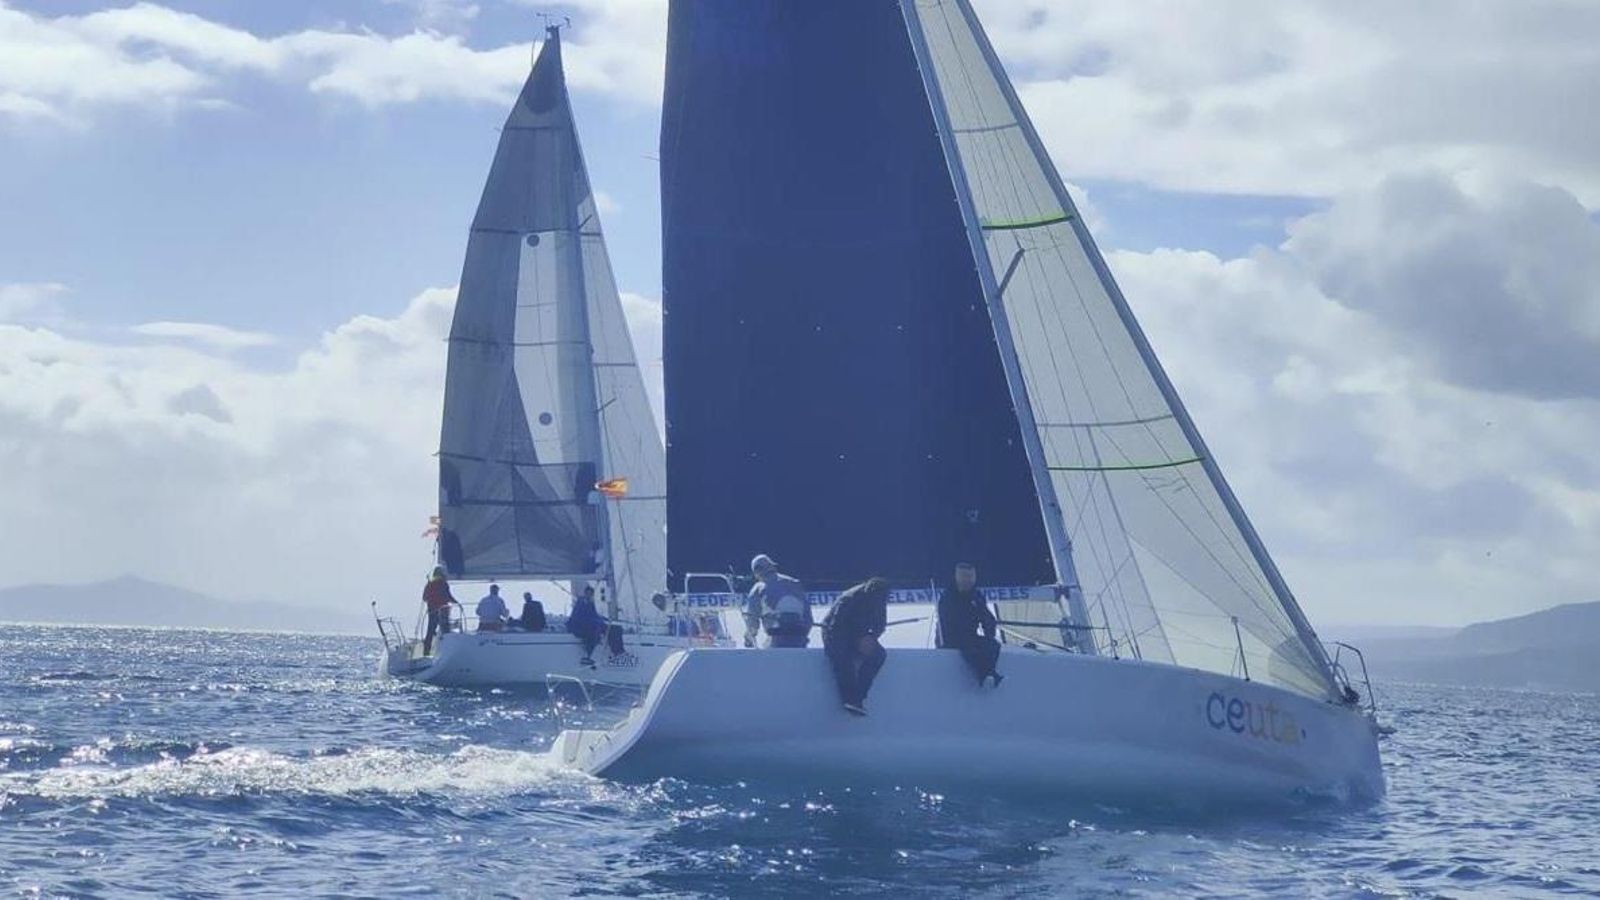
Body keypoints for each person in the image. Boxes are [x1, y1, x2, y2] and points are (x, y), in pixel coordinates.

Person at [821, 577, 890, 716]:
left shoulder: (880, 598)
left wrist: (871, 637)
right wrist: (856, 640)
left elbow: (880, 625)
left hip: (859, 635)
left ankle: (859, 695)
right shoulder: (850, 597)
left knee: (878, 655)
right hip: (835, 633)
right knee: (843, 660)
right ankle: (849, 698)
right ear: (868, 591)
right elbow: (835, 624)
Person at [937, 562, 1004, 687]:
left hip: (970, 636)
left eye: (970, 578)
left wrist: (989, 633)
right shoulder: (947, 597)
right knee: (970, 649)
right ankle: (982, 672)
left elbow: (987, 617)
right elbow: (946, 622)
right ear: (957, 578)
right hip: (951, 638)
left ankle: (989, 671)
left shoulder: (977, 596)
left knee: (993, 645)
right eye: (964, 578)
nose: (967, 581)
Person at [747, 554, 811, 648]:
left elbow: (752, 621)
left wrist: (748, 638)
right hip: (801, 637)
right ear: (772, 566)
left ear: (757, 571)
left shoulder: (758, 588)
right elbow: (808, 617)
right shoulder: (795, 583)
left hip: (777, 638)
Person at [566, 585, 605, 666]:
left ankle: (618, 651)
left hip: (588, 624)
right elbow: (578, 616)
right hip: (578, 626)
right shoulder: (580, 602)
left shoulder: (591, 603)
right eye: (588, 594)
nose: (589, 595)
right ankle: (588, 655)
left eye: (591, 594)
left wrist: (601, 620)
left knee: (602, 628)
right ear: (585, 593)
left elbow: (594, 615)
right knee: (593, 630)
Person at [421, 565, 456, 655]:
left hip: (432, 611)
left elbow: (425, 598)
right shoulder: (443, 584)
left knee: (431, 630)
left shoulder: (430, 584)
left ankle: (426, 651)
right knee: (446, 631)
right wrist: (456, 603)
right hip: (443, 611)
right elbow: (448, 596)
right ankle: (446, 651)